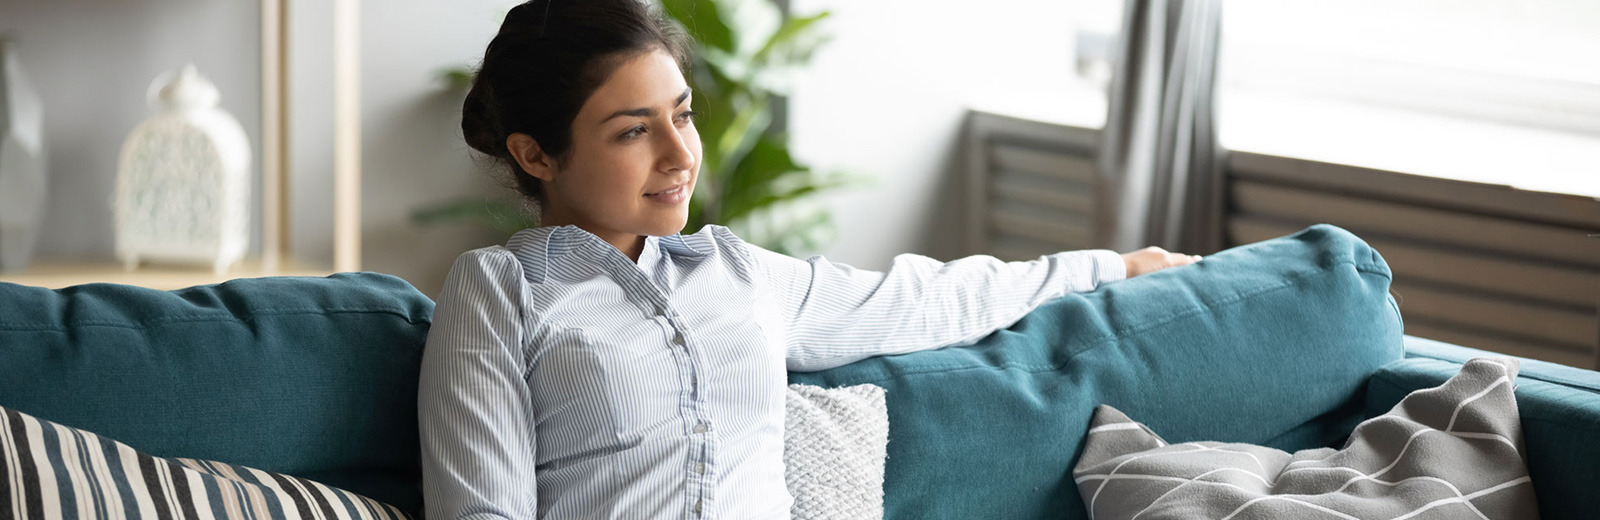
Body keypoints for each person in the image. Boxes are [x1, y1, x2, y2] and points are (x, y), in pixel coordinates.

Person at [419, 1, 1201, 518]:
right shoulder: (504, 289)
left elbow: (929, 297)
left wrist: (1111, 268)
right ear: (536, 154)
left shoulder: (738, 273)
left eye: (682, 116)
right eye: (632, 131)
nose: (679, 154)